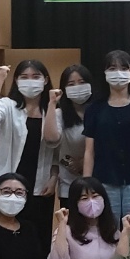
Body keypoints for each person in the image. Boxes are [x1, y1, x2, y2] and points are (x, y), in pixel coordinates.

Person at [0, 62, 59, 259]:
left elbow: (55, 144)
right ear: (15, 81)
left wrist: (54, 177)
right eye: (24, 76)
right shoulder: (8, 105)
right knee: (5, 242)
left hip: (40, 188)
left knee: (38, 244)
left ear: (45, 80)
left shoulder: (54, 109)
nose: (30, 81)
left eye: (36, 76)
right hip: (8, 187)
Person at [82, 52, 130, 219]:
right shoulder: (94, 108)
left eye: (124, 68)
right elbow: (89, 150)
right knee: (108, 226)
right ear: (105, 73)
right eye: (112, 68)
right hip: (105, 179)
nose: (118, 72)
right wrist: (86, 183)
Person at [45, 64, 94, 203]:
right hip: (69, 185)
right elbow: (51, 138)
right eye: (71, 84)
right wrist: (52, 103)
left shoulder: (99, 111)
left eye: (82, 82)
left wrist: (85, 161)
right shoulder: (59, 114)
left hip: (98, 184)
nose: (77, 87)